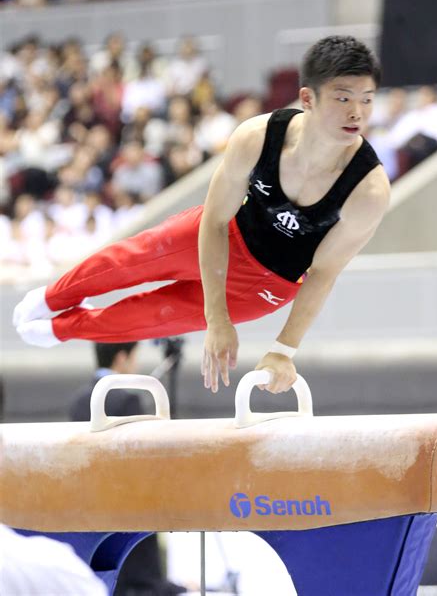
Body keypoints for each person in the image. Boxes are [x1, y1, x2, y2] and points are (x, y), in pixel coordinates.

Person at [13, 36, 390, 395]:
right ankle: (52, 297)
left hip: (268, 287)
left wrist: (283, 351)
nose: (356, 112)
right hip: (224, 234)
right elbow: (212, 221)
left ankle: (62, 329)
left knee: (148, 318)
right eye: (343, 98)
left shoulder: (368, 191)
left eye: (367, 100)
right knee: (131, 260)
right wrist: (216, 317)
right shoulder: (257, 137)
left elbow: (323, 273)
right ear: (308, 98)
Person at [69, 341, 186, 596]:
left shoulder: (78, 399)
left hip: (89, 510)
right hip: (128, 506)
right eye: (135, 358)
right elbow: (142, 462)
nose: (136, 365)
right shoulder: (128, 398)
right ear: (122, 359)